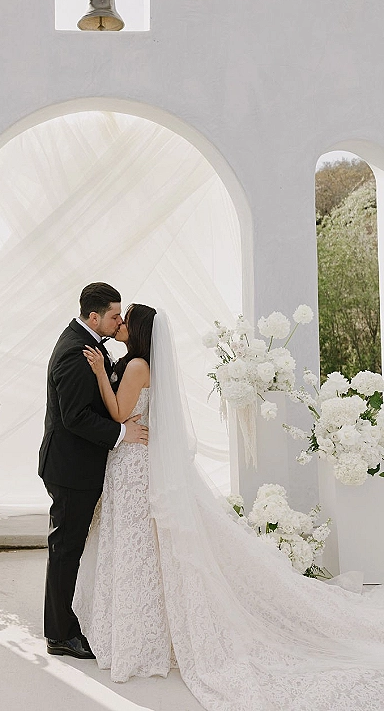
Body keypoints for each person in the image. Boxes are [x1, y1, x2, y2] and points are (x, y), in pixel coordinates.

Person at [74, 305, 384, 711]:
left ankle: (139, 636)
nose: (121, 323)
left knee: (138, 549)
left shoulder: (136, 367)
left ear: (139, 330)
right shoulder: (139, 364)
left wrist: (99, 373)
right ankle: (146, 630)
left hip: (133, 464)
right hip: (135, 459)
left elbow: (118, 413)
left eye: (126, 319)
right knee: (144, 549)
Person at [38, 282, 148, 660]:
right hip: (70, 467)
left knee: (70, 547)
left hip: (79, 465)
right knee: (65, 548)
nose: (119, 322)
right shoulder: (73, 351)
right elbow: (74, 417)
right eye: (115, 316)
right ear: (94, 316)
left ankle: (67, 621)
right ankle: (60, 634)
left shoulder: (89, 345)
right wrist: (121, 431)